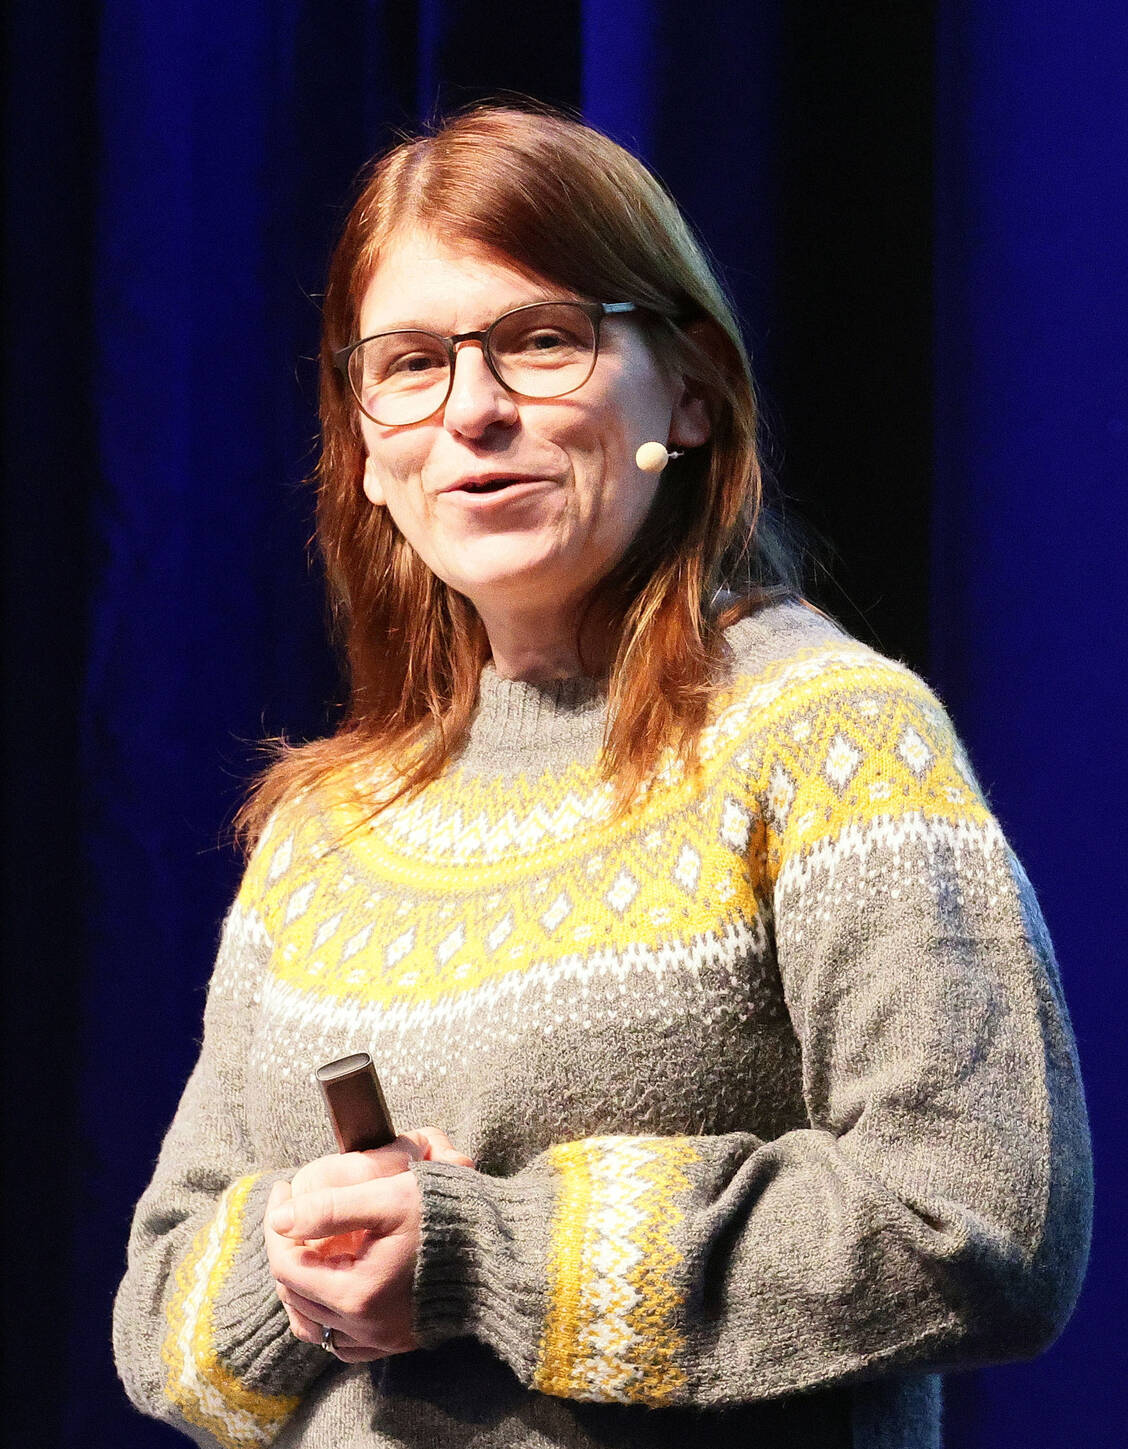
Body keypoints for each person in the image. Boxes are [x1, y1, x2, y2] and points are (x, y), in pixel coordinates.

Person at [113, 104, 1092, 1449]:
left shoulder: (829, 734)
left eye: (541, 341)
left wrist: (484, 1253)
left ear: (686, 389)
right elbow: (155, 1310)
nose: (474, 411)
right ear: (367, 447)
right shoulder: (326, 825)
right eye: (409, 364)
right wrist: (294, 1259)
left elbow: (980, 1219)